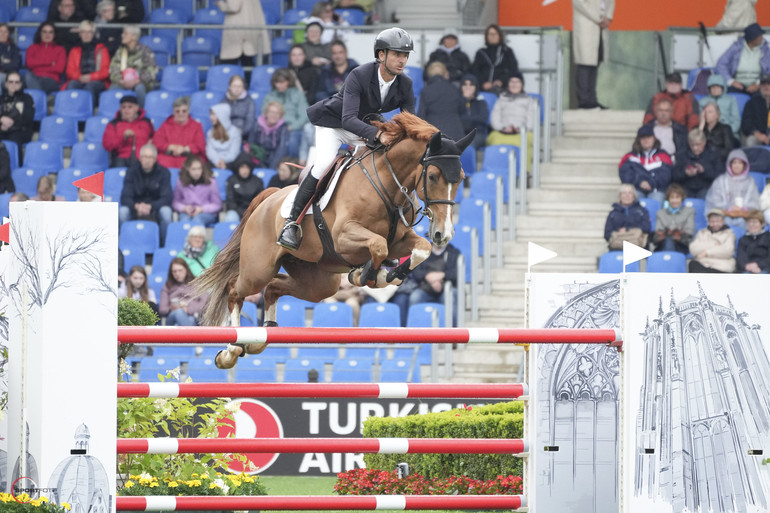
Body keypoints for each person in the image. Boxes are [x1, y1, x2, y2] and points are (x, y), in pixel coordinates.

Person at [277, 27, 416, 251]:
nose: (402, 60)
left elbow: (410, 123)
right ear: (381, 55)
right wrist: (379, 134)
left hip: (365, 128)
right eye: (397, 54)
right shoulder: (359, 75)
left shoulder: (405, 84)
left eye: (405, 55)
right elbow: (348, 119)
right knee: (322, 164)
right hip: (334, 125)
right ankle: (291, 223)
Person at [119, 143, 173, 246]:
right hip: (135, 208)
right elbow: (125, 197)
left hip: (155, 209)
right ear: (140, 158)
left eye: (150, 157)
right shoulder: (131, 172)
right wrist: (136, 207)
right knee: (122, 212)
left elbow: (167, 198)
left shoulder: (164, 172)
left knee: (166, 212)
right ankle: (125, 245)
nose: (147, 160)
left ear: (155, 159)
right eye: (145, 157)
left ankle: (163, 246)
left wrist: (151, 207)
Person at [486, 72, 538, 167]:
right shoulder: (502, 99)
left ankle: (523, 172)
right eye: (511, 82)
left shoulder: (529, 100)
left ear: (522, 84)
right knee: (494, 139)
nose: (514, 84)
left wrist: (520, 129)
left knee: (526, 140)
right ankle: (496, 168)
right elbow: (495, 117)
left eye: (517, 82)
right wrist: (503, 128)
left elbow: (531, 120)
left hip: (522, 132)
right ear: (508, 84)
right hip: (503, 131)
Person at [572, 0, 613, 109]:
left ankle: (592, 99)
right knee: (585, 63)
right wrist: (598, 17)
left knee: (595, 61)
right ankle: (584, 100)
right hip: (587, 24)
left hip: (601, 26)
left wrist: (608, 17)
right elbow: (579, 3)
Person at [705, 148, 760, 229]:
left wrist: (743, 208)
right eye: (734, 163)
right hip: (723, 216)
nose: (737, 166)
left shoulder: (750, 182)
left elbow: (755, 202)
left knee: (744, 222)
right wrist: (729, 208)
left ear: (744, 165)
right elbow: (713, 201)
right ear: (729, 165)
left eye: (740, 163)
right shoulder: (720, 181)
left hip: (745, 217)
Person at [408, 243, 460, 326]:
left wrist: (442, 276)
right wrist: (427, 276)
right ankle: (414, 332)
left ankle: (454, 332)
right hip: (425, 287)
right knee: (415, 297)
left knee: (451, 295)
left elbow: (455, 274)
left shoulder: (454, 252)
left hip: (446, 287)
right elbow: (416, 273)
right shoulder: (421, 252)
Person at [262, 68, 309, 159]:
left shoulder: (298, 95)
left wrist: (293, 126)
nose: (279, 85)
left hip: (292, 128)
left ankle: (292, 165)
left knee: (292, 140)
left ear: (288, 82)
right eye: (277, 82)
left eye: (282, 82)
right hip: (273, 128)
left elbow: (304, 116)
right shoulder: (270, 96)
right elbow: (264, 114)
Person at [618, 125, 672, 204]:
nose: (646, 140)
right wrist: (640, 182)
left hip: (657, 190)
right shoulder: (630, 157)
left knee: (656, 201)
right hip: (636, 189)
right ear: (638, 140)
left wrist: (651, 182)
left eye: (649, 137)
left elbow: (666, 175)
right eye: (643, 138)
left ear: (654, 139)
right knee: (633, 199)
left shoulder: (663, 155)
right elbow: (625, 175)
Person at [108, 26, 158, 107]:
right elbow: (113, 70)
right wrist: (121, 81)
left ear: (134, 36)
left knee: (139, 89)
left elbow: (151, 72)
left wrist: (136, 81)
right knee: (112, 89)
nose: (122, 35)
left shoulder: (145, 51)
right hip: (123, 82)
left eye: (125, 33)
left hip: (141, 82)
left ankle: (141, 114)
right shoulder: (120, 51)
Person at [63, 21, 111, 106]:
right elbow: (69, 71)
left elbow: (105, 71)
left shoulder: (102, 49)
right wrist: (80, 77)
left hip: (97, 80)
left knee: (89, 87)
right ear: (80, 34)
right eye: (84, 32)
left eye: (89, 32)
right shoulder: (74, 50)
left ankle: (87, 113)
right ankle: (71, 111)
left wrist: (90, 77)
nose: (86, 35)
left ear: (93, 34)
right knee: (71, 85)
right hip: (79, 79)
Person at [715, 23, 770, 94]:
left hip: (758, 85)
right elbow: (721, 64)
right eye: (759, 36)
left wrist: (758, 83)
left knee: (762, 99)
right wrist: (731, 81)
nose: (762, 37)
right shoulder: (736, 47)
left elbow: (769, 70)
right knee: (728, 97)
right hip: (737, 84)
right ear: (751, 38)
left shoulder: (765, 50)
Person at [153, 96, 206, 169]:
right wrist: (170, 147)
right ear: (173, 112)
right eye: (177, 111)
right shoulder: (165, 125)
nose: (181, 114)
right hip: (168, 157)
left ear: (189, 111)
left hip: (189, 158)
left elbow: (200, 145)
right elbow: (157, 142)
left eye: (184, 111)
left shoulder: (197, 126)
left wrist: (185, 149)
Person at [102, 95, 154, 167]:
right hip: (120, 158)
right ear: (120, 109)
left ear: (136, 108)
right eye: (124, 107)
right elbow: (107, 145)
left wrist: (151, 142)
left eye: (130, 107)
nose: (126, 110)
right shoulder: (113, 124)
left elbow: (155, 138)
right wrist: (123, 137)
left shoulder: (146, 122)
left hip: (142, 158)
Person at [417, 62, 464, 141]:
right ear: (445, 74)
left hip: (433, 134)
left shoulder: (426, 91)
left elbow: (421, 115)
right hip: (456, 133)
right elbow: (462, 111)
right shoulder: (454, 89)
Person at [216, 0, 270, 67]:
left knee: (228, 65)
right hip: (250, 33)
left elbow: (233, 6)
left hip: (238, 35)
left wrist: (220, 3)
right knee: (247, 64)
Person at [671, 128, 722, 199]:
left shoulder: (713, 155)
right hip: (686, 188)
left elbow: (719, 176)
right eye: (692, 145)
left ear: (704, 142)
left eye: (698, 145)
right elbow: (674, 176)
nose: (695, 148)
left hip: (706, 188)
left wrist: (704, 171)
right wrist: (685, 173)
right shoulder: (682, 155)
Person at [172, 155, 222, 227]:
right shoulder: (180, 181)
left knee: (197, 220)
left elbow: (217, 205)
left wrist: (201, 209)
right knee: (184, 221)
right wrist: (184, 208)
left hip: (206, 213)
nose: (197, 172)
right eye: (193, 169)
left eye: (199, 169)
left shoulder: (211, 182)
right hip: (186, 213)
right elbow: (175, 202)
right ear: (188, 169)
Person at [471, 24, 519, 95]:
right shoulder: (481, 52)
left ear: (499, 36)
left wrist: (501, 81)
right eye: (490, 34)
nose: (493, 36)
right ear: (487, 37)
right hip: (483, 87)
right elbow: (475, 70)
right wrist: (483, 83)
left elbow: (513, 70)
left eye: (495, 34)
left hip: (502, 87)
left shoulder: (507, 51)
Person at [159, 257, 207, 326]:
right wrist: (171, 308)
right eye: (174, 271)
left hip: (194, 316)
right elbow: (162, 309)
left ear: (186, 270)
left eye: (180, 270)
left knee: (184, 321)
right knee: (179, 312)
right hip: (172, 317)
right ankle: (191, 335)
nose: (177, 273)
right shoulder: (167, 286)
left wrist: (188, 310)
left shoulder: (197, 283)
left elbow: (205, 304)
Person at [603, 183, 651, 250]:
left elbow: (647, 228)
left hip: (639, 246)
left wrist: (628, 230)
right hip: (618, 247)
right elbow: (607, 234)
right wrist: (618, 232)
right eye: (624, 193)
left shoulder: (642, 211)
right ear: (619, 196)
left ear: (634, 196)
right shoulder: (613, 214)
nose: (627, 196)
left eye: (630, 193)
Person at [24, 22, 67, 95]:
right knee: (27, 76)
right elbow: (29, 63)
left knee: (37, 82)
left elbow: (59, 69)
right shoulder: (32, 48)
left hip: (51, 80)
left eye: (50, 32)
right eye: (44, 32)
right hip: (34, 78)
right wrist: (50, 63)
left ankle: (37, 101)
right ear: (40, 34)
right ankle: (43, 101)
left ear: (54, 35)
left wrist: (37, 67)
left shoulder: (60, 50)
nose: (47, 35)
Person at [688, 209, 736, 273]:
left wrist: (706, 253)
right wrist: (713, 244)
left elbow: (728, 250)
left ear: (723, 221)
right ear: (708, 222)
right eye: (712, 221)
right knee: (692, 264)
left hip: (721, 267)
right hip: (702, 264)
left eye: (718, 221)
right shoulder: (702, 233)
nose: (715, 224)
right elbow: (693, 248)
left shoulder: (729, 234)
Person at [652, 183, 695, 253]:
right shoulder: (660, 213)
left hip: (682, 244)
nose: (675, 200)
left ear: (682, 198)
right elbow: (658, 231)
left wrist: (670, 232)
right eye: (672, 197)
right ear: (668, 199)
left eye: (677, 197)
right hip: (664, 243)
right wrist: (676, 230)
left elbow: (689, 232)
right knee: (668, 241)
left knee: (669, 241)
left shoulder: (689, 211)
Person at [248, 100, 290, 170]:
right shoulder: (257, 124)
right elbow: (251, 142)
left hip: (273, 158)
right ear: (266, 113)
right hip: (257, 155)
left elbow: (281, 149)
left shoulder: (283, 128)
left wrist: (272, 168)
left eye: (277, 113)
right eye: (271, 112)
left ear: (280, 116)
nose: (274, 115)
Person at [223, 153, 264, 223]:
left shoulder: (257, 181)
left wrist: (250, 212)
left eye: (247, 167)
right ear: (238, 168)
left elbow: (259, 201)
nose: (245, 170)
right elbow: (230, 201)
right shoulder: (231, 180)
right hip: (235, 211)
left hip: (253, 212)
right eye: (242, 167)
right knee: (230, 217)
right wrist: (243, 213)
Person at [0, 71, 35, 146]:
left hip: (20, 130)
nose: (13, 84)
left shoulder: (27, 98)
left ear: (21, 84)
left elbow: (28, 118)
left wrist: (9, 124)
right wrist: (1, 119)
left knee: (13, 139)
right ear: (6, 84)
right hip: (2, 129)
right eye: (11, 82)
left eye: (16, 82)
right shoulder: (1, 99)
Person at [206, 103, 241, 169]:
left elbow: (234, 153)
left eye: (213, 114)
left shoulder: (235, 132)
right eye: (210, 114)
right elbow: (210, 151)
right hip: (215, 161)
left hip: (230, 161)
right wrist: (217, 161)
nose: (211, 117)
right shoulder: (210, 132)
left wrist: (223, 160)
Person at [459, 74, 489, 150]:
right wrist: (464, 99)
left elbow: (483, 119)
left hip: (478, 134)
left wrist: (466, 121)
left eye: (471, 84)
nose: (467, 87)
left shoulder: (481, 103)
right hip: (460, 133)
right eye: (464, 84)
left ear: (475, 87)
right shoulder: (457, 102)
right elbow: (455, 119)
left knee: (468, 145)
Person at [740, 74, 770, 146]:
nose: (766, 86)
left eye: (769, 83)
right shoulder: (751, 102)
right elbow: (746, 123)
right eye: (763, 84)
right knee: (751, 141)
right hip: (757, 136)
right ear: (760, 86)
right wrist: (757, 134)